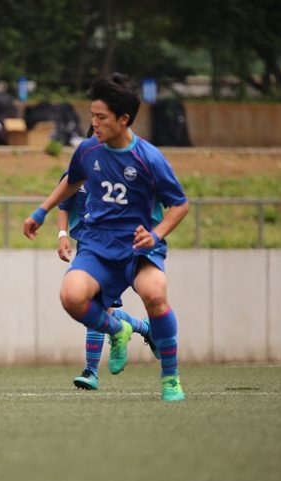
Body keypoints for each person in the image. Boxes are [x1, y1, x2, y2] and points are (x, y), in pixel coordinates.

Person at [23, 73, 189, 401]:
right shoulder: (87, 150)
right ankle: (119, 329)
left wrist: (156, 235)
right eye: (92, 116)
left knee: (155, 293)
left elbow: (180, 205)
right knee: (71, 296)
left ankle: (170, 378)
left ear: (123, 119)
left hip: (138, 247)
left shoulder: (149, 158)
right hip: (98, 244)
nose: (94, 124)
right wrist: (41, 212)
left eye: (101, 117)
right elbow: (71, 180)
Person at [55, 172, 158, 390]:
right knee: (102, 310)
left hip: (115, 246)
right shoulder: (75, 172)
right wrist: (62, 234)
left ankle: (91, 372)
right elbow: (63, 204)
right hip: (87, 247)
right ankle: (144, 328)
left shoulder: (118, 171)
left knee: (96, 305)